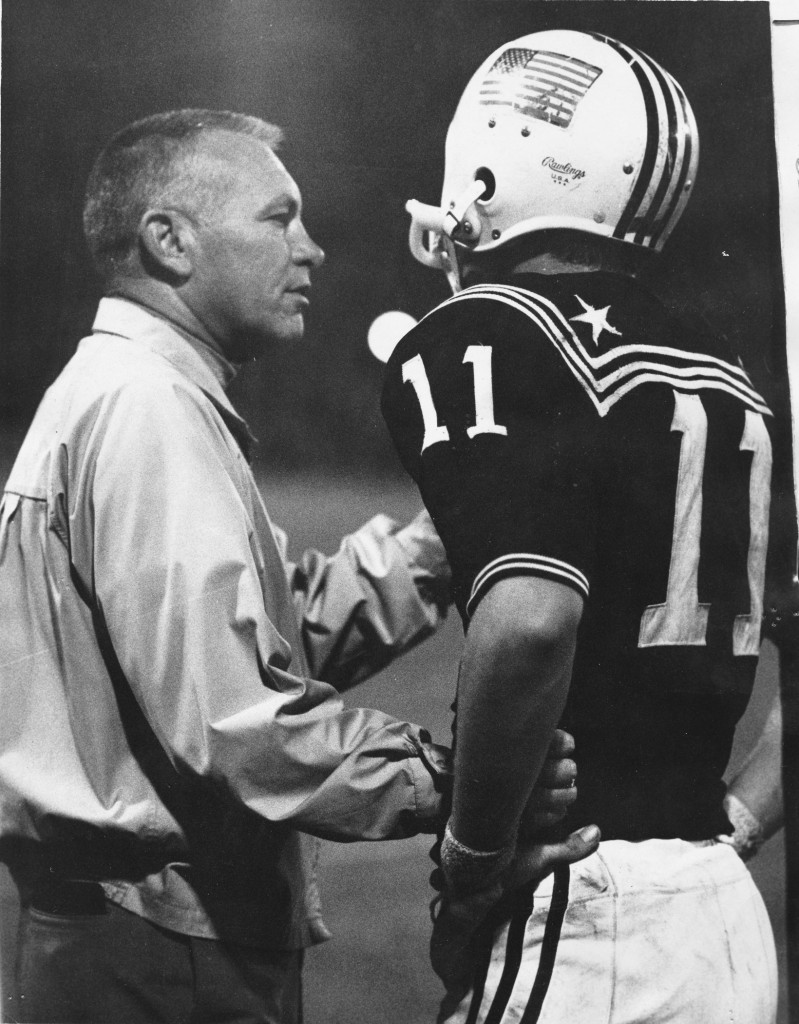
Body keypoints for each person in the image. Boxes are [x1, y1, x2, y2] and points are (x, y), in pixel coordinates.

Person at [0, 109, 594, 1024]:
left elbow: (288, 626)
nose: (311, 250)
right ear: (169, 241)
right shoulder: (146, 409)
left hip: (143, 931)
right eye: (279, 219)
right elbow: (233, 724)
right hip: (158, 946)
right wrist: (457, 777)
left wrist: (451, 533)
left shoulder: (138, 394)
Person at [382, 30, 780, 1024]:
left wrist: (472, 866)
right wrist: (726, 822)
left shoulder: (489, 331)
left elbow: (526, 625)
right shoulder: (735, 378)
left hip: (583, 906)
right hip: (722, 919)